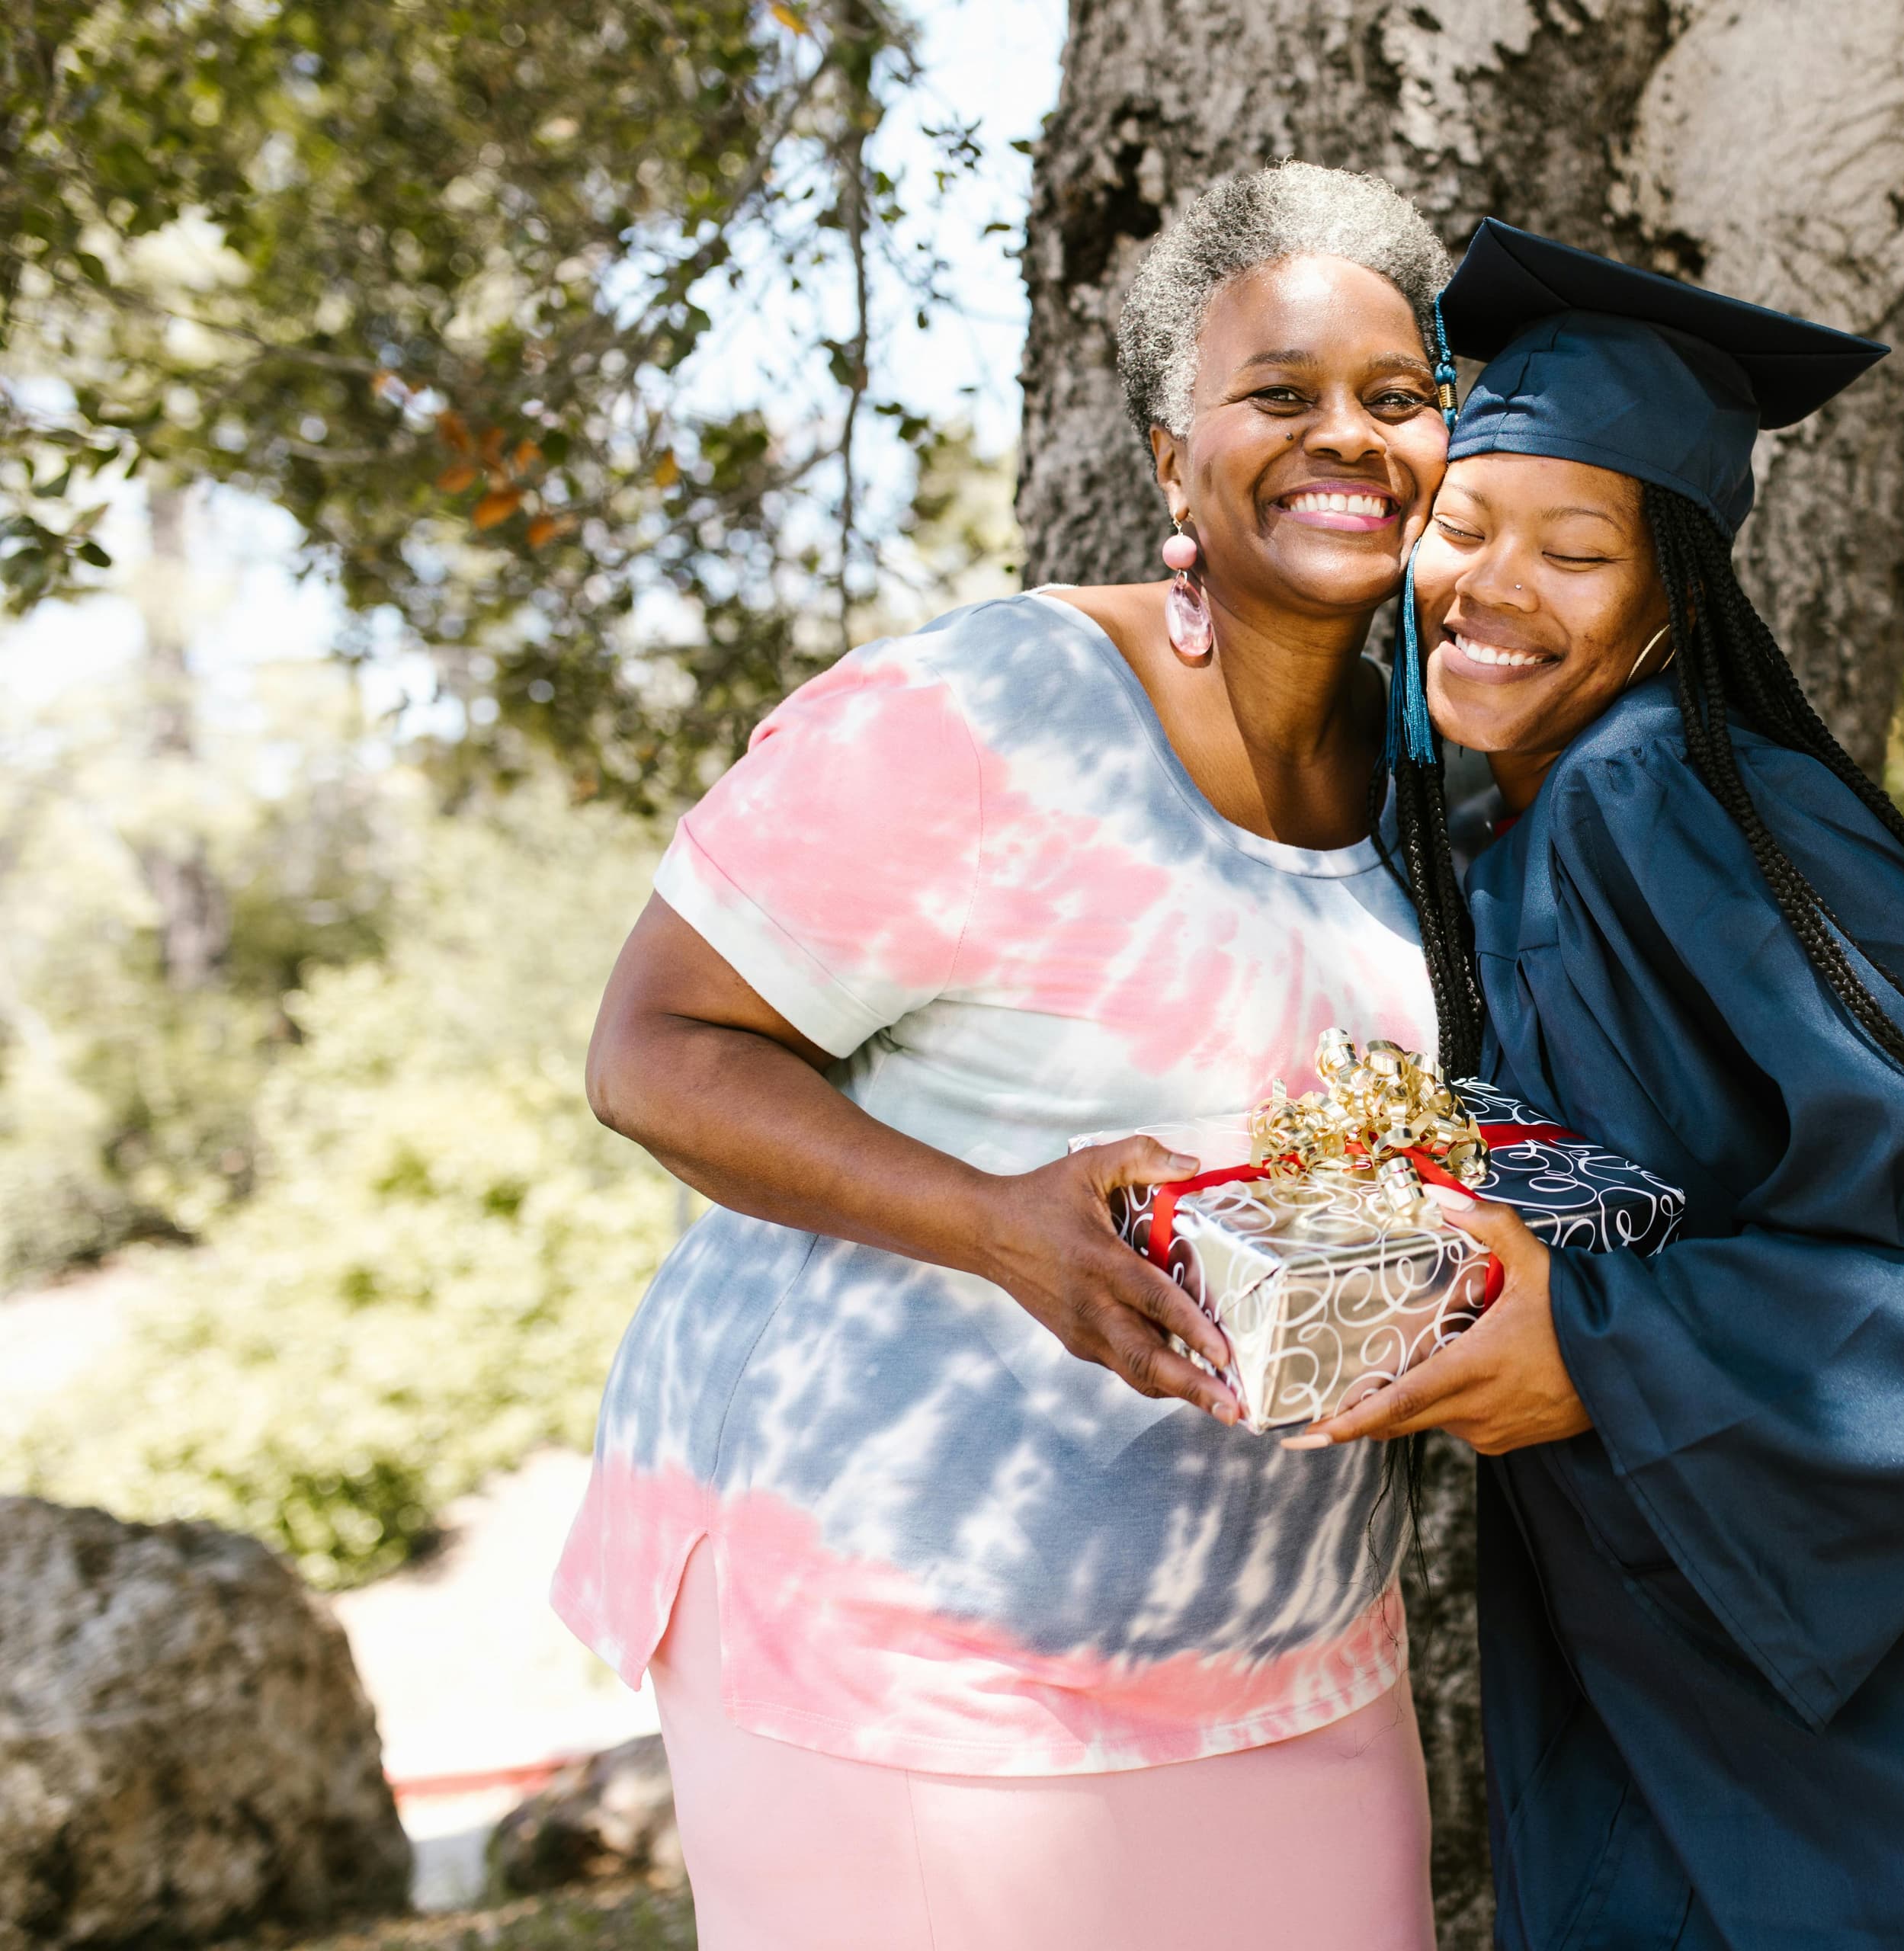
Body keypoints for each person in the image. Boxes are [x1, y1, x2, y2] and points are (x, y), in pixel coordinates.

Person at [549, 163, 1452, 1949]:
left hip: (1281, 1630)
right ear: (1166, 451)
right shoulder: (983, 714)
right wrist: (996, 1221)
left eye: (1396, 396)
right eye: (1278, 393)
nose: (1343, 436)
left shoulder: (1446, 748)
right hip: (889, 1630)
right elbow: (652, 1049)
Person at [1306, 222, 1904, 1949]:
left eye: (1576, 548)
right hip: (1727, 1644)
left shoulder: (1658, 791)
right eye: (1464, 525)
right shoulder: (1501, 841)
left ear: (1677, 589)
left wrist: (1596, 1347)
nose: (1496, 587)